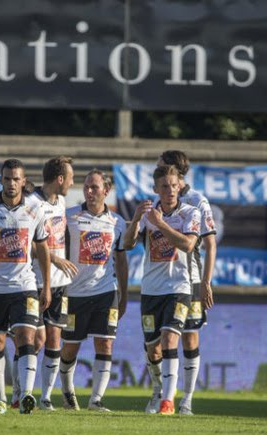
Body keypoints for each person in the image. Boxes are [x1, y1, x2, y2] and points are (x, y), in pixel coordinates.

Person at [0, 159, 51, 414]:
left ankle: (25, 394)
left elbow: (43, 248)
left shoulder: (37, 208)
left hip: (24, 285)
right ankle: (0, 398)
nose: (11, 183)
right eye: (7, 179)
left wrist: (46, 285)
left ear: (23, 182)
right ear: (1, 180)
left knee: (28, 337)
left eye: (16, 179)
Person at [123, 164, 201, 415]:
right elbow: (127, 244)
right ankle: (158, 389)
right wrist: (137, 219)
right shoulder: (147, 215)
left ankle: (169, 400)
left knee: (170, 339)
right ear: (156, 189)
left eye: (173, 185)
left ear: (180, 186)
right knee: (152, 348)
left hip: (179, 287)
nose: (170, 190)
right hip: (151, 290)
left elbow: (188, 245)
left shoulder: (190, 213)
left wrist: (162, 225)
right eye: (164, 186)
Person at [150, 150, 217, 415]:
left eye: (162, 167)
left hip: (189, 279)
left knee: (190, 337)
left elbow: (210, 244)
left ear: (176, 170)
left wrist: (206, 282)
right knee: (155, 342)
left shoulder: (197, 201)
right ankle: (160, 392)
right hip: (161, 280)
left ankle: (186, 400)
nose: (158, 172)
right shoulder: (158, 201)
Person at [59, 170, 128, 412]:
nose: (89, 191)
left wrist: (124, 295)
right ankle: (68, 394)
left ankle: (96, 400)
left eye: (94, 187)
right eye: (86, 186)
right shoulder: (69, 216)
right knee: (70, 347)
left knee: (105, 344)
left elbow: (121, 261)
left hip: (106, 292)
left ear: (106, 191)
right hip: (75, 293)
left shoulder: (118, 222)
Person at [14, 156, 75, 411]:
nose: (71, 184)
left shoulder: (60, 202)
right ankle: (19, 392)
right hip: (35, 282)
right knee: (34, 340)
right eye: (70, 179)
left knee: (54, 339)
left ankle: (46, 397)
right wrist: (57, 259)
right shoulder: (31, 203)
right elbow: (26, 243)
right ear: (60, 179)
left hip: (58, 284)